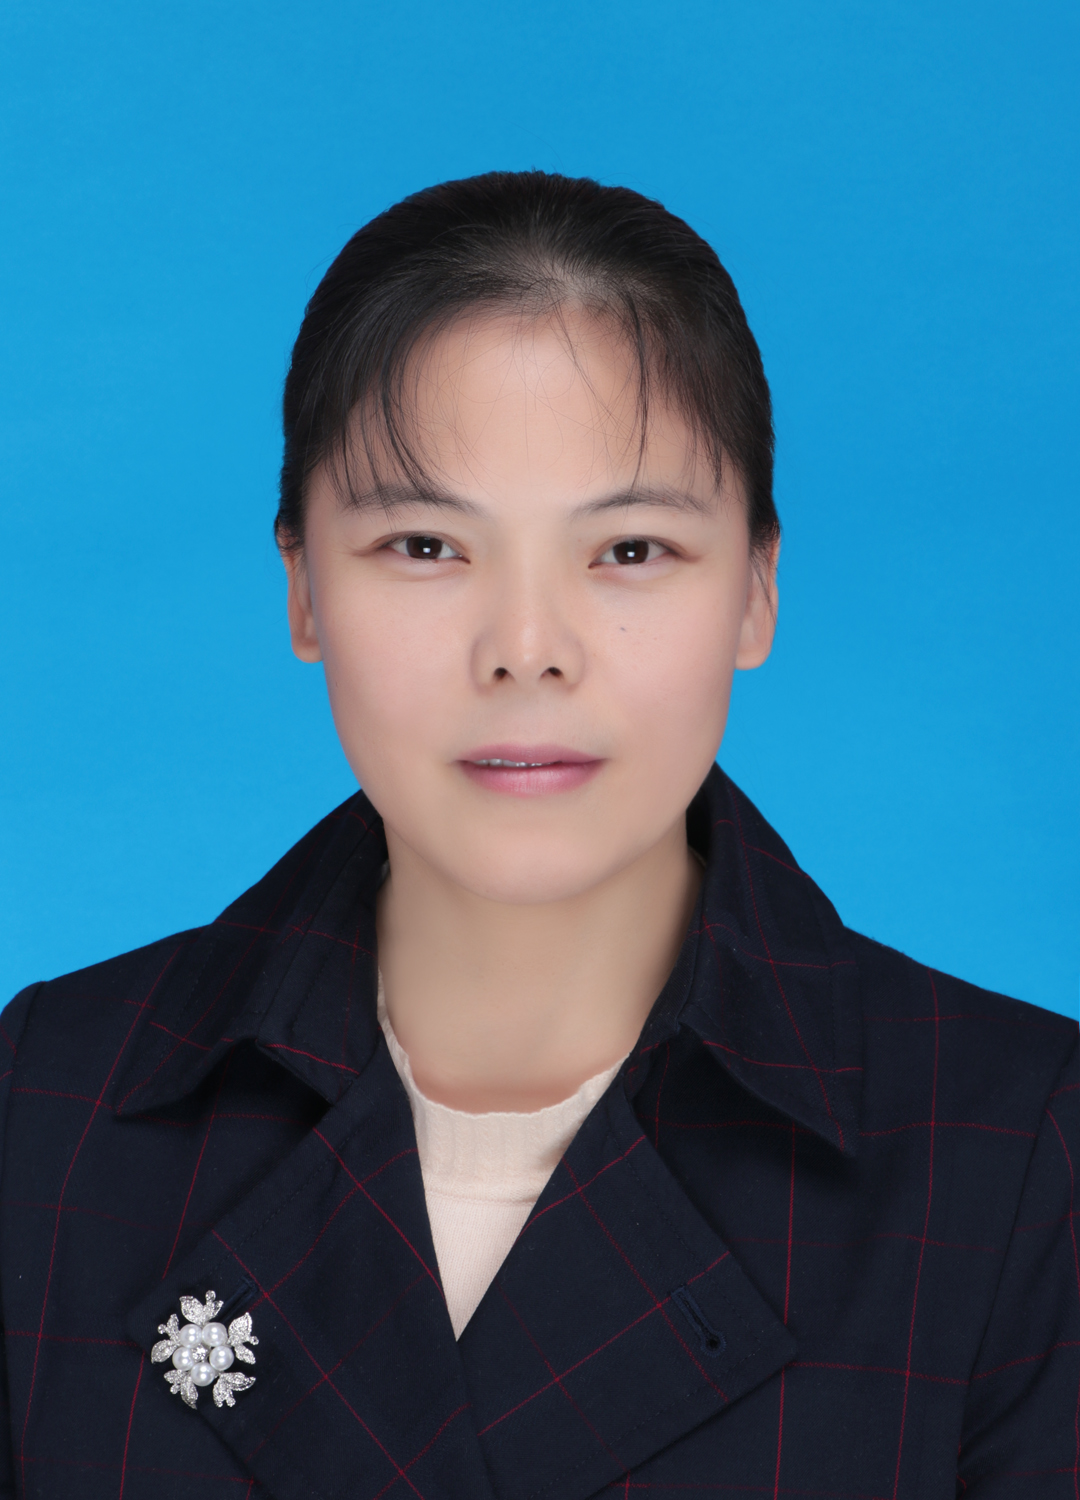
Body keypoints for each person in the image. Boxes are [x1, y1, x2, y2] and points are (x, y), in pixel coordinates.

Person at [1, 171, 1075, 1500]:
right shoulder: (50, 1109)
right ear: (302, 588)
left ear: (757, 588)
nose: (525, 649)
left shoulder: (1020, 1155)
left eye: (629, 550)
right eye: (424, 545)